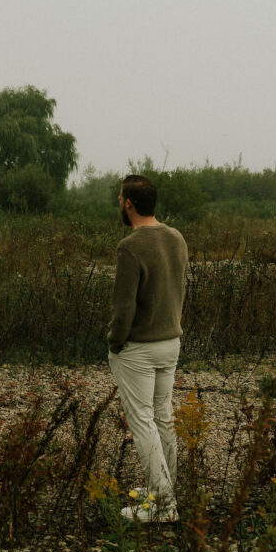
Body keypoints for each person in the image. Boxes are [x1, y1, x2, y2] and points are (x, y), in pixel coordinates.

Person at [108, 174, 188, 522]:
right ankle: (164, 488)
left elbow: (124, 308)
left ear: (128, 203)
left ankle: (162, 506)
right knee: (162, 416)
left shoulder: (130, 246)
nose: (118, 204)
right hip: (171, 342)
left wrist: (115, 342)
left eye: (119, 199)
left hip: (138, 347)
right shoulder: (176, 238)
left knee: (143, 421)